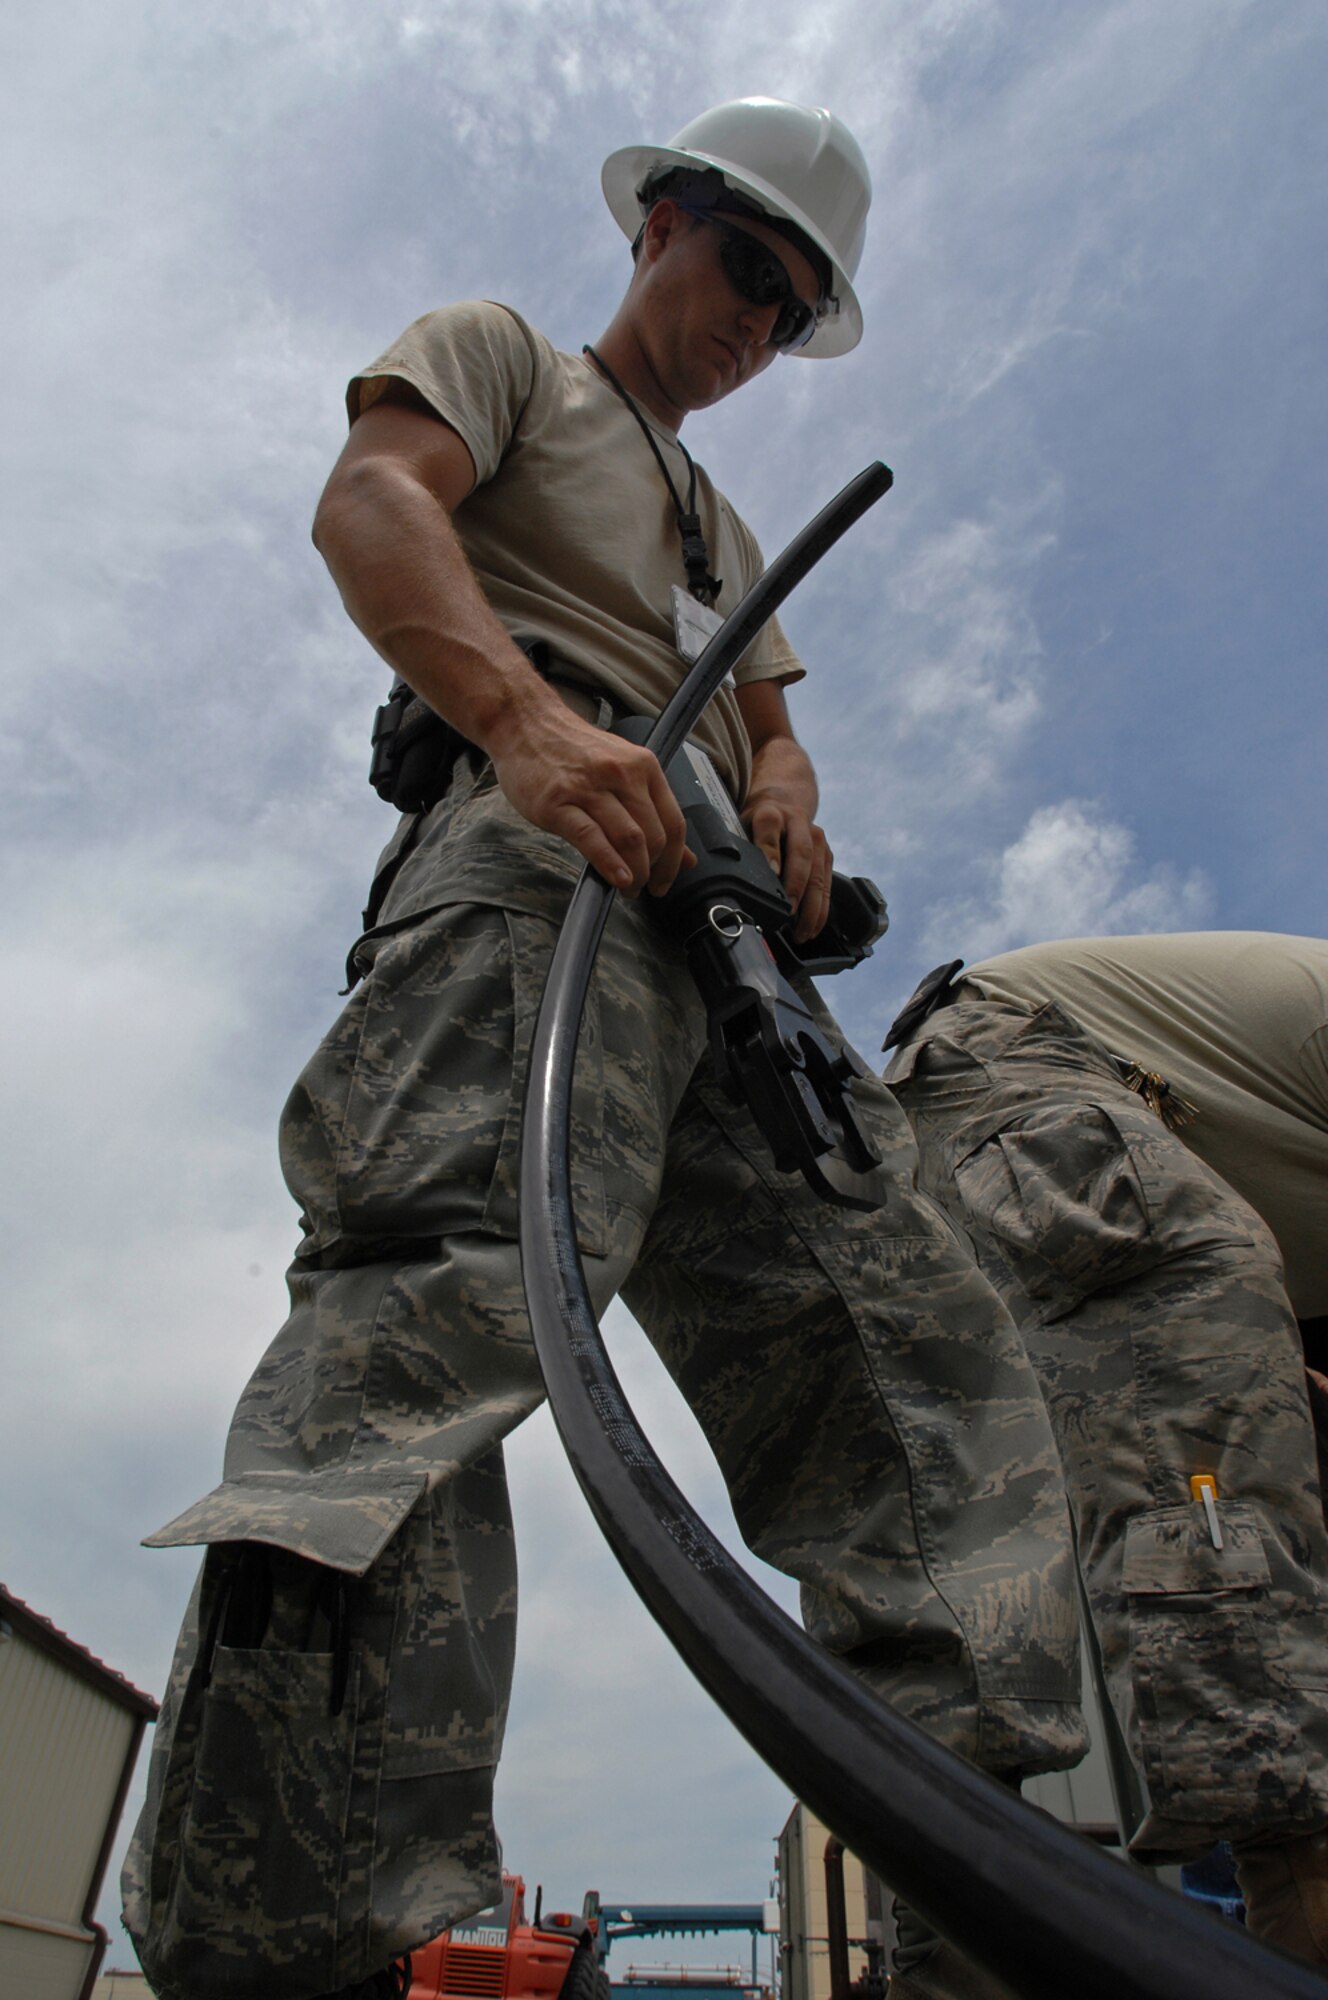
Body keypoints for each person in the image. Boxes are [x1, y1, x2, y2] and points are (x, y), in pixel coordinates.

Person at [121, 101, 1089, 2000]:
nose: (753, 326)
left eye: (792, 310)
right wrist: (525, 729)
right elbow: (372, 503)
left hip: (729, 953)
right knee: (427, 1328)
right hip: (525, 863)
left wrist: (789, 818)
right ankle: (284, 1951)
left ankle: (991, 1943)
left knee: (922, 1378)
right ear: (658, 222)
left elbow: (772, 733)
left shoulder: (734, 534)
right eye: (746, 270)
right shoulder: (502, 357)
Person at [883, 931, 1328, 1969]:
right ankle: (1298, 1893)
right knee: (1215, 1484)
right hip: (1023, 1088)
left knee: (1254, 1493)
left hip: (1035, 1141)